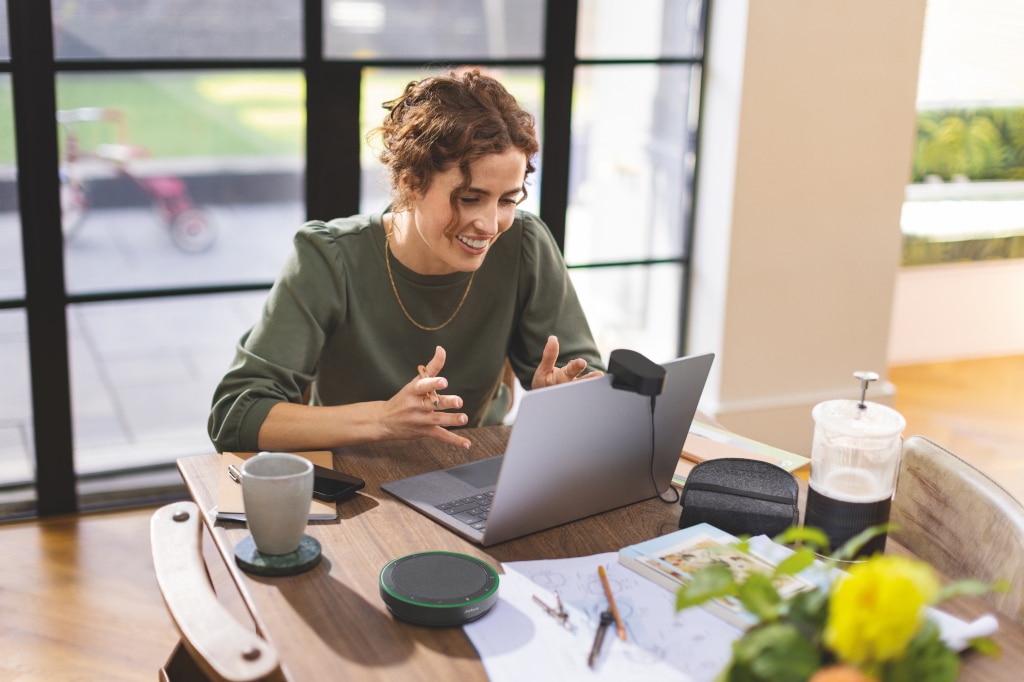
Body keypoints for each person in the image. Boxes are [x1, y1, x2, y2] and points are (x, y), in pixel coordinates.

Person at [208, 70, 604, 453]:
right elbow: (235, 416)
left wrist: (568, 400)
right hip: (355, 487)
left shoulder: (525, 243)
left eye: (507, 200)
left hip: (476, 474)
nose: (489, 224)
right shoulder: (329, 257)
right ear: (410, 183)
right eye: (469, 198)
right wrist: (383, 419)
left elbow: (589, 386)